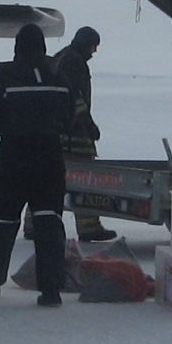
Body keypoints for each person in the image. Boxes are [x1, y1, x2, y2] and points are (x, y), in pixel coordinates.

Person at [0, 22, 75, 306]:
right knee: (49, 221)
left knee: (1, 220)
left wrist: (9, 128)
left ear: (18, 48)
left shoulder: (5, 78)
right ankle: (51, 288)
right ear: (43, 47)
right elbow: (70, 117)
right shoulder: (60, 79)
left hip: (13, 156)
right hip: (50, 157)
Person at [52, 25, 113, 244]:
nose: (94, 52)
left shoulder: (60, 58)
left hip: (55, 133)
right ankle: (89, 227)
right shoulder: (74, 63)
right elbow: (74, 99)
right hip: (73, 135)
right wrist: (89, 126)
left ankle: (33, 224)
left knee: (48, 179)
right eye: (93, 46)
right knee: (85, 177)